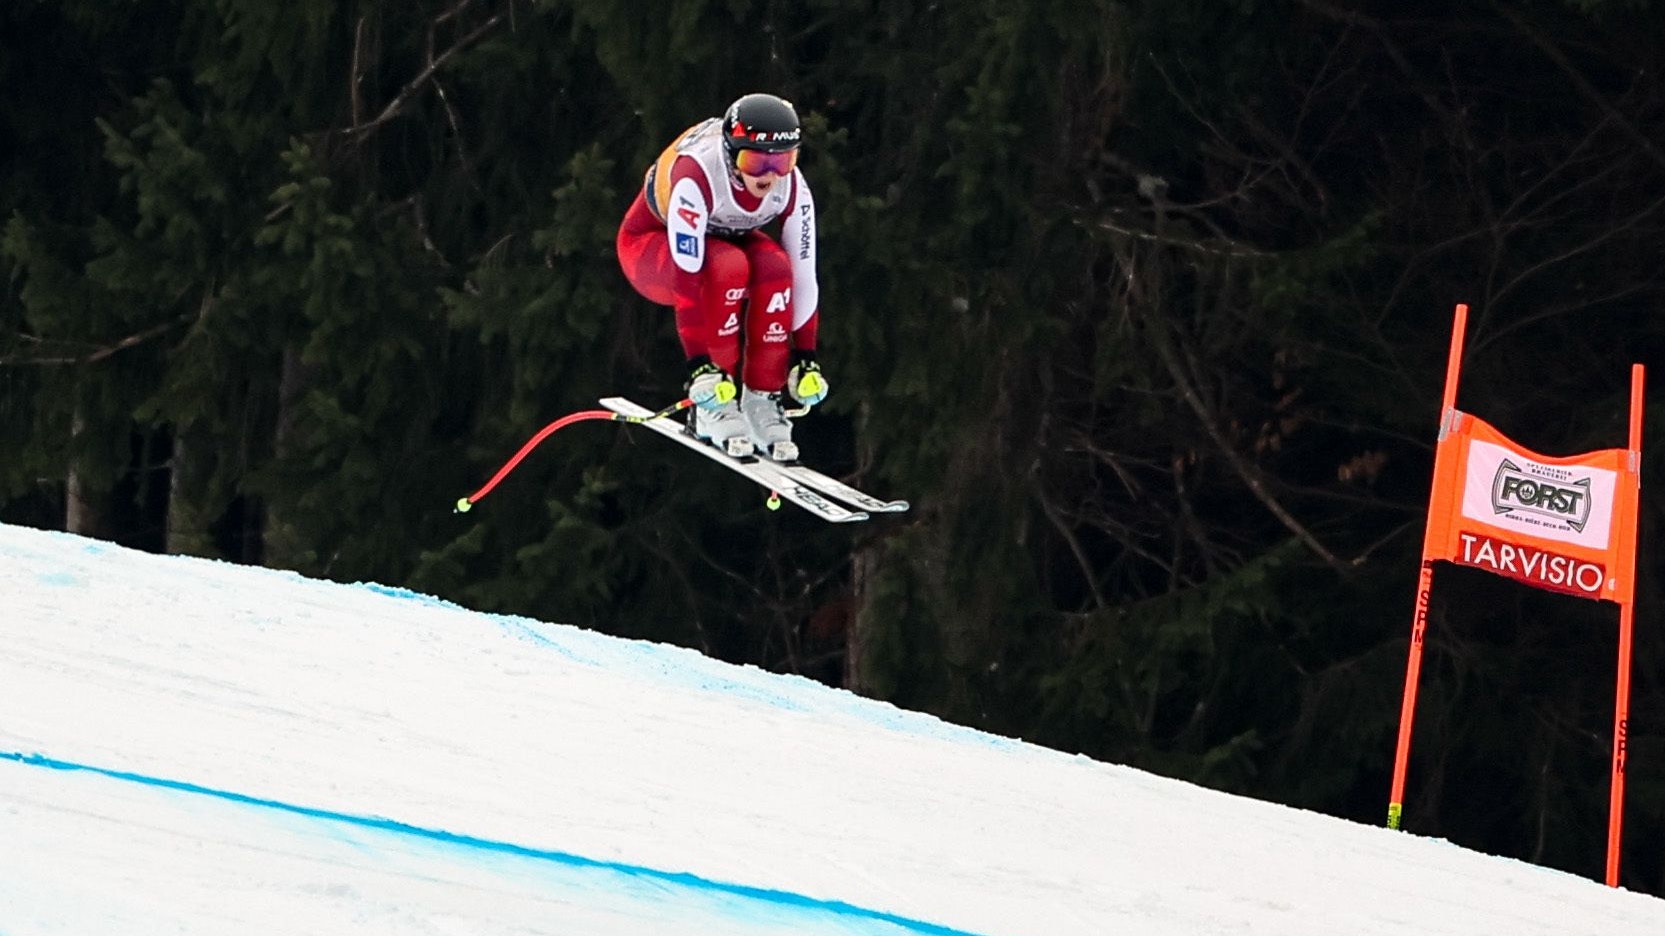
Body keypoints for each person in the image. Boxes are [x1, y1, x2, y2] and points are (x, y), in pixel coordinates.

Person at [615, 92, 829, 462]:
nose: (770, 175)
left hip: (723, 242)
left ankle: (763, 400)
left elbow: (804, 274)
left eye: (783, 160)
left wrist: (806, 356)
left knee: (775, 267)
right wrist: (700, 366)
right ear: (731, 156)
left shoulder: (791, 185)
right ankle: (714, 406)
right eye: (755, 161)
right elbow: (687, 279)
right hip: (651, 248)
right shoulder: (696, 173)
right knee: (725, 266)